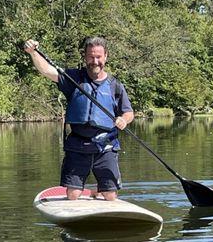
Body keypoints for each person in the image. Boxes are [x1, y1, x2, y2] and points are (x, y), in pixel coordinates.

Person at [24, 37, 134, 201]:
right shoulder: (73, 78)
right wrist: (33, 53)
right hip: (78, 145)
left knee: (110, 196)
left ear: (106, 57)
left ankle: (99, 191)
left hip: (105, 146)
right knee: (73, 195)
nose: (94, 61)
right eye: (90, 57)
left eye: (98, 57)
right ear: (85, 57)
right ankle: (89, 191)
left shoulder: (115, 85)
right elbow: (47, 71)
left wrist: (123, 120)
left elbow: (129, 112)